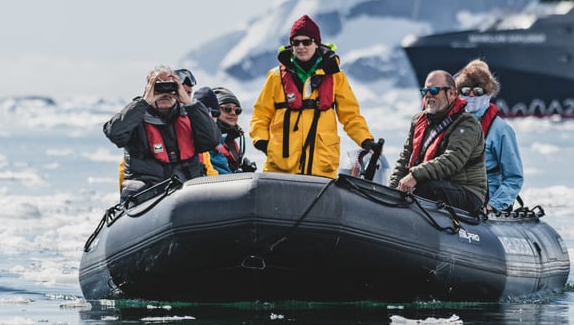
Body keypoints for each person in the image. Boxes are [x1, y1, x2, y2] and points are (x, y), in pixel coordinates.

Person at [249, 14, 378, 178]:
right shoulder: (275, 77)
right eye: (296, 42)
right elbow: (260, 114)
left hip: (321, 167)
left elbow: (351, 116)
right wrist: (263, 142)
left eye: (307, 42)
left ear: (316, 44)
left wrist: (365, 140)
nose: (301, 46)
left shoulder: (335, 76)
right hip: (282, 167)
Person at [105, 65, 222, 200]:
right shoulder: (136, 118)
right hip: (149, 199)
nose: (164, 94)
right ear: (148, 88)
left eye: (170, 87)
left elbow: (213, 139)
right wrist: (145, 101)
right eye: (158, 87)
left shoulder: (191, 116)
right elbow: (114, 133)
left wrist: (188, 102)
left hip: (186, 196)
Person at [389, 70, 487, 213]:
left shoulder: (467, 124)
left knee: (424, 188)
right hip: (436, 183)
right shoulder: (418, 121)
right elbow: (405, 158)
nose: (428, 95)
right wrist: (390, 192)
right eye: (425, 91)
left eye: (434, 90)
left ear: (451, 94)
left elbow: (452, 160)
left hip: (467, 192)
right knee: (414, 187)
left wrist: (415, 175)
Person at [453, 58, 524, 212]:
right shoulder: (453, 124)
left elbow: (514, 177)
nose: (471, 96)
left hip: (485, 196)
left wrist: (493, 205)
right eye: (465, 91)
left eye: (478, 91)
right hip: (457, 192)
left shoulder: (501, 130)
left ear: (488, 92)